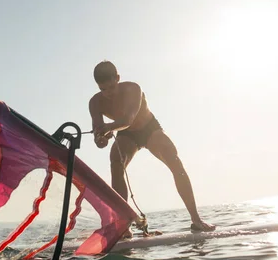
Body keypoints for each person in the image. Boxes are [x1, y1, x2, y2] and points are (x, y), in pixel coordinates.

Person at [89, 61, 215, 236]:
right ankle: (123, 225)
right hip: (126, 136)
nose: (108, 93)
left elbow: (128, 120)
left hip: (148, 128)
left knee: (173, 159)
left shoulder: (133, 89)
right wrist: (100, 139)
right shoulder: (95, 103)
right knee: (115, 162)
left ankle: (196, 220)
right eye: (103, 89)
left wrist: (108, 128)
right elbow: (98, 137)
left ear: (117, 79)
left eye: (111, 87)